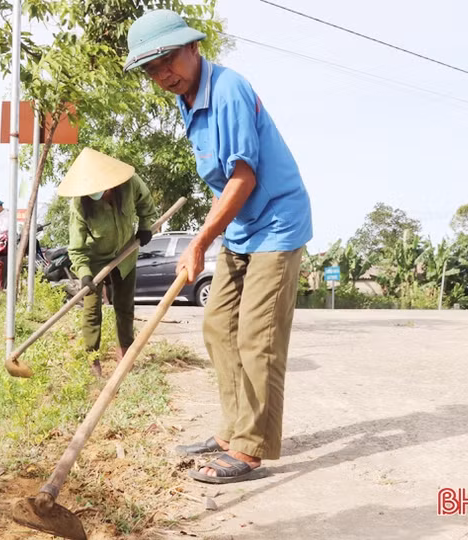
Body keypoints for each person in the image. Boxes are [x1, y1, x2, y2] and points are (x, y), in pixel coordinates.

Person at [125, 10, 313, 484]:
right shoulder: (187, 100)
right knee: (217, 324)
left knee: (257, 335)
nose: (162, 74)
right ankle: (231, 431)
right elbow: (222, 179)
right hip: (243, 227)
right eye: (151, 69)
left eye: (167, 60)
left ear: (193, 48)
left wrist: (199, 242)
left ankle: (250, 450)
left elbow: (244, 176)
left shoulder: (228, 90)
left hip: (276, 222)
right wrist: (214, 235)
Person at [59, 148, 158, 377]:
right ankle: (93, 361)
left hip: (126, 253)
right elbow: (76, 246)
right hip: (94, 261)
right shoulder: (80, 204)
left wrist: (144, 226)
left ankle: (126, 353)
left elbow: (146, 204)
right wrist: (84, 273)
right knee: (92, 311)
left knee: (125, 307)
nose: (99, 195)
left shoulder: (130, 183)